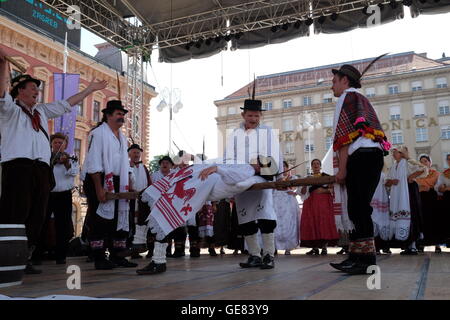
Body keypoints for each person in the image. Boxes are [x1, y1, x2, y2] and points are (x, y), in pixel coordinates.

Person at [0, 48, 107, 274]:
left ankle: (25, 257)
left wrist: (90, 89)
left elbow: (68, 103)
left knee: (37, 215)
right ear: (19, 90)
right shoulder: (9, 109)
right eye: (32, 89)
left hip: (41, 168)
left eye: (38, 89)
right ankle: (7, 257)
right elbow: (2, 92)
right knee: (15, 211)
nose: (37, 92)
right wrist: (2, 66)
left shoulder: (41, 111)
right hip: (18, 166)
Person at [136, 157, 274, 275]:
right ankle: (153, 254)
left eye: (259, 161)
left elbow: (235, 179)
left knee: (154, 203)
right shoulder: (244, 166)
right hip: (198, 182)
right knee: (157, 206)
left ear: (260, 167)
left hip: (199, 184)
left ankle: (149, 249)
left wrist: (216, 169)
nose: (255, 159)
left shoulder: (248, 169)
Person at [327, 61, 390, 275]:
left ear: (345, 81)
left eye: (334, 81)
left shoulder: (346, 98)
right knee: (358, 207)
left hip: (361, 157)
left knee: (358, 208)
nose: (332, 86)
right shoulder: (361, 98)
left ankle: (366, 260)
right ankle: (356, 256)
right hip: (373, 157)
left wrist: (342, 170)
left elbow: (343, 139)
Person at [223, 87, 283, 270]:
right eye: (250, 115)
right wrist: (232, 175)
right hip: (241, 181)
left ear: (260, 116)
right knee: (246, 218)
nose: (253, 119)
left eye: (257, 116)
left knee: (265, 216)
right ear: (243, 115)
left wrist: (275, 174)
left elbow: (276, 155)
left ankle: (268, 255)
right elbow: (228, 157)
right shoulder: (234, 134)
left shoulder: (268, 132)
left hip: (262, 179)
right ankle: (254, 254)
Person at [82, 100, 137, 270]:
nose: (122, 117)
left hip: (119, 181)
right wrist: (99, 188)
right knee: (99, 219)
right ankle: (99, 257)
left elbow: (124, 163)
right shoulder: (98, 134)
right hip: (98, 178)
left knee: (120, 218)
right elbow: (93, 162)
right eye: (118, 114)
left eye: (123, 114)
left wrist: (129, 184)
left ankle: (117, 255)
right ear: (108, 115)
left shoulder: (122, 137)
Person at [34, 133, 79, 265]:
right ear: (51, 144)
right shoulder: (45, 158)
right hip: (48, 194)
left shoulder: (71, 159)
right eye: (56, 143)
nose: (58, 145)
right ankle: (38, 254)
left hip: (64, 194)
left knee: (63, 225)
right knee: (42, 223)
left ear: (65, 145)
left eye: (61, 143)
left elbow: (73, 173)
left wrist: (65, 163)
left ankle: (61, 256)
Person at [385, 147, 424, 255]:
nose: (393, 154)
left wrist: (411, 176)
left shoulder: (407, 163)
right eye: (392, 153)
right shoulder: (393, 166)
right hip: (396, 196)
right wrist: (391, 181)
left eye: (396, 153)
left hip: (408, 194)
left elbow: (422, 169)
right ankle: (406, 245)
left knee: (411, 217)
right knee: (399, 218)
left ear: (401, 154)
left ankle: (413, 246)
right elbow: (386, 182)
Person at [299, 159, 338, 255]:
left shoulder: (327, 177)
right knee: (312, 223)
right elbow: (303, 192)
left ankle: (324, 247)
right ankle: (314, 247)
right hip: (311, 204)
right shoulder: (307, 178)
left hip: (323, 204)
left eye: (317, 164)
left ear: (320, 166)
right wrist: (305, 184)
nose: (316, 165)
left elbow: (333, 189)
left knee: (323, 223)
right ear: (311, 167)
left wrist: (323, 191)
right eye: (314, 164)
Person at [127, 143, 152, 258]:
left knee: (141, 223)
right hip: (129, 200)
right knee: (130, 222)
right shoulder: (126, 166)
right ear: (129, 154)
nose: (136, 155)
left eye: (138, 153)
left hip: (142, 200)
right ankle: (130, 248)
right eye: (134, 152)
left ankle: (139, 248)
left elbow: (149, 182)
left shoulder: (144, 168)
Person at [415, 154, 443, 253]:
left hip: (432, 198)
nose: (423, 163)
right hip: (420, 198)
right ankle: (422, 243)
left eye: (425, 161)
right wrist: (420, 188)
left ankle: (437, 244)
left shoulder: (435, 173)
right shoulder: (417, 174)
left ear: (430, 163)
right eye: (421, 161)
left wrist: (428, 187)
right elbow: (414, 185)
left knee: (434, 220)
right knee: (422, 220)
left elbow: (438, 185)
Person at [273, 161, 300, 255]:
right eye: (281, 166)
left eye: (284, 166)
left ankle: (288, 247)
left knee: (289, 223)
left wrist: (295, 192)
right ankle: (274, 246)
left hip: (288, 201)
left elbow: (299, 187)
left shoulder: (292, 177)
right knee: (275, 223)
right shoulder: (274, 178)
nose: (283, 168)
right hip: (275, 200)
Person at [435, 154, 450, 246]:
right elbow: (438, 187)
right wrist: (442, 188)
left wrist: (447, 188)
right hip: (448, 199)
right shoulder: (444, 173)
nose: (449, 161)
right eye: (448, 159)